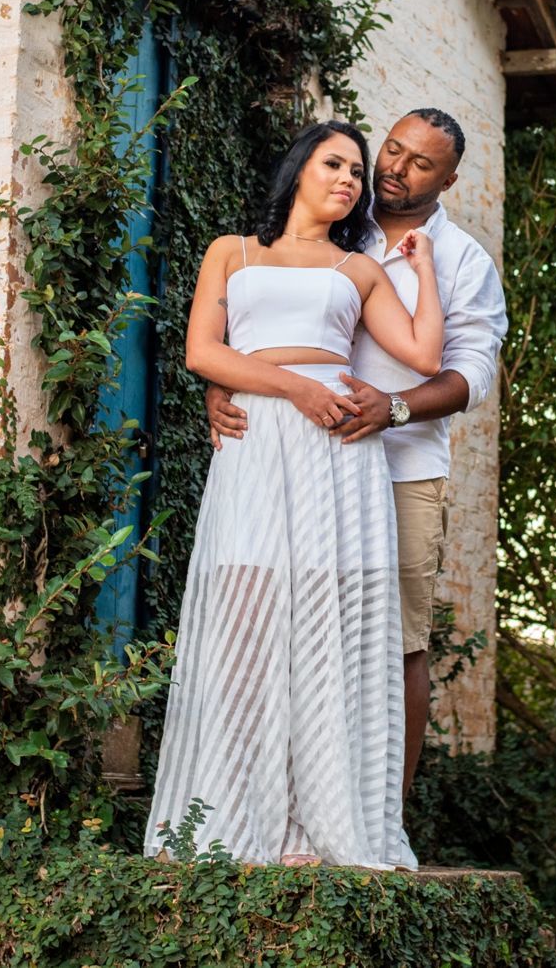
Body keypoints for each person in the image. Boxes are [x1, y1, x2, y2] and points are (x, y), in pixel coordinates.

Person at [143, 119, 442, 870]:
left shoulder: (358, 270)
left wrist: (426, 267)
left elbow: (424, 353)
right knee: (245, 609)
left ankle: (318, 820)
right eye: (334, 163)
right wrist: (291, 387)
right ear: (300, 168)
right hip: (257, 439)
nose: (348, 179)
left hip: (336, 451)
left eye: (356, 171)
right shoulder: (232, 252)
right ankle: (230, 812)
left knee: (322, 619)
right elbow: (202, 352)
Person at [207, 108, 507, 802]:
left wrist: (393, 408)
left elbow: (469, 374)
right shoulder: (341, 221)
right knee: (292, 624)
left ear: (448, 180)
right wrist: (226, 383)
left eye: (420, 163)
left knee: (396, 640)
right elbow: (265, 314)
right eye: (393, 150)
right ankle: (283, 802)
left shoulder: (462, 260)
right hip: (298, 458)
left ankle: (383, 813)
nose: (394, 168)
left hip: (401, 466)